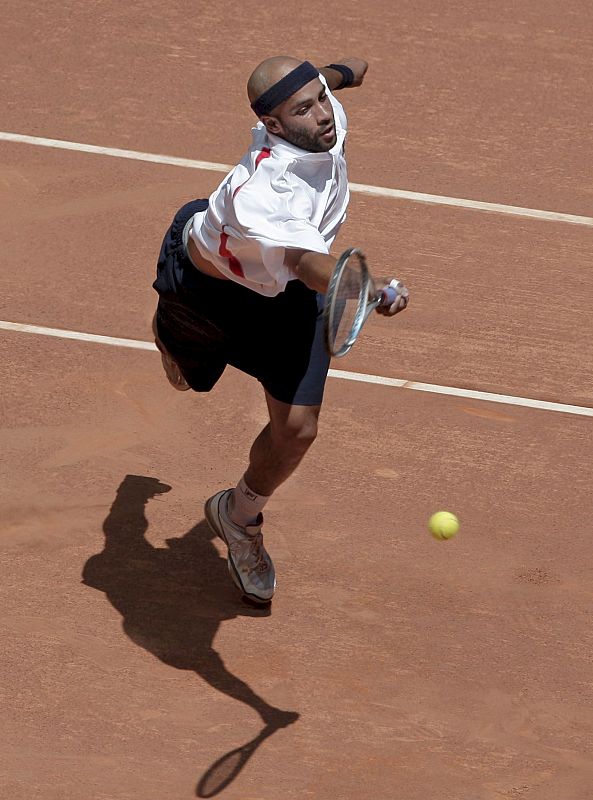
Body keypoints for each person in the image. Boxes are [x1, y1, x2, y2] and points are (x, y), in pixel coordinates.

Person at [152, 55, 408, 605]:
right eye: (305, 108)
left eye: (322, 99)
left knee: (297, 430)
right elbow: (306, 263)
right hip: (208, 293)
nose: (323, 114)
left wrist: (343, 71)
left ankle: (238, 516)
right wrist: (364, 286)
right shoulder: (266, 191)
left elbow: (326, 85)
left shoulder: (321, 116)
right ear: (272, 124)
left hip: (285, 297)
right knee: (191, 380)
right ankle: (169, 337)